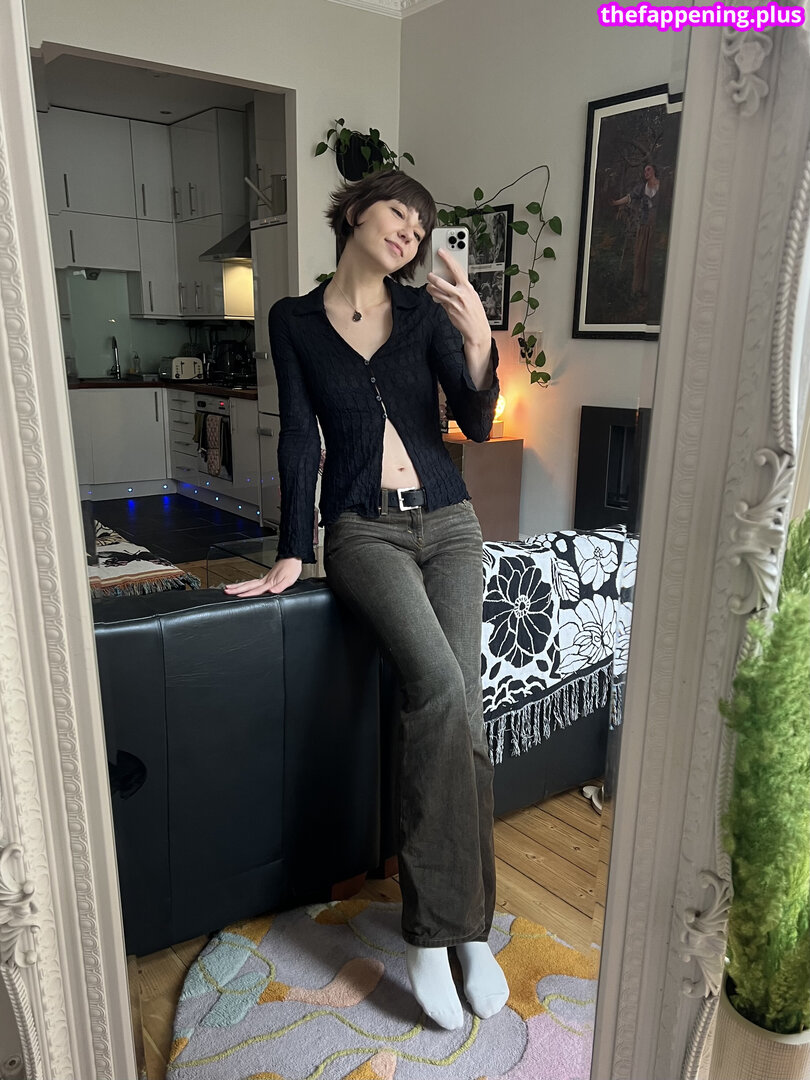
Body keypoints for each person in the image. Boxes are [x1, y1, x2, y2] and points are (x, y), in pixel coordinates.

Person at [224, 168, 509, 1030]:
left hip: (450, 523)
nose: (411, 232)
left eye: (422, 225)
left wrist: (479, 344)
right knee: (440, 687)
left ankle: (468, 932)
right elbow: (298, 438)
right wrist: (292, 550)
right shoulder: (293, 321)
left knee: (466, 715)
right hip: (363, 532)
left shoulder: (424, 315)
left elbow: (476, 423)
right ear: (354, 211)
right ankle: (433, 934)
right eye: (399, 212)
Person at [612, 162, 660, 297]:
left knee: (650, 259)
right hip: (644, 226)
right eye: (645, 171)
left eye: (648, 170)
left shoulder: (662, 186)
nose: (646, 173)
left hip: (656, 228)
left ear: (654, 171)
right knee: (639, 257)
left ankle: (648, 290)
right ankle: (637, 289)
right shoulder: (642, 188)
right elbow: (630, 197)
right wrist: (616, 203)